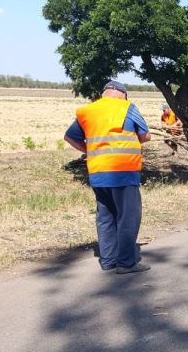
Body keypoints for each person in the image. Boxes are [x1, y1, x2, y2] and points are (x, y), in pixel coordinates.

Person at [64, 80, 152, 274]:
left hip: (98, 171)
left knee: (106, 217)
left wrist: (90, 150)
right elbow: (145, 136)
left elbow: (70, 137)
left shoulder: (88, 111)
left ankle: (108, 261)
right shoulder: (127, 107)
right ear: (123, 94)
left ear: (104, 94)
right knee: (128, 217)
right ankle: (126, 263)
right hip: (123, 170)